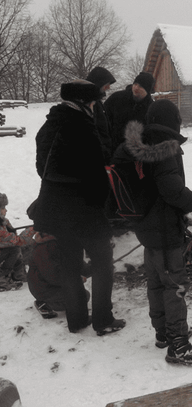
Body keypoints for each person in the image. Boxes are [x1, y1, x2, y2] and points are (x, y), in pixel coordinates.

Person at [112, 99, 192, 366]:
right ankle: (178, 344)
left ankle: (163, 333)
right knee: (175, 285)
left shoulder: (138, 144)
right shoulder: (165, 146)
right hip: (165, 228)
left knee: (156, 281)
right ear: (173, 121)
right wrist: (190, 201)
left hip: (145, 225)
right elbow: (170, 188)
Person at [31, 79, 125, 335]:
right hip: (84, 209)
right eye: (94, 102)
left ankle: (76, 320)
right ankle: (103, 320)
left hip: (55, 207)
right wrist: (100, 202)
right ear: (85, 102)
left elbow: (42, 168)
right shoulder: (83, 126)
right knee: (103, 262)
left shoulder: (49, 125)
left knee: (70, 265)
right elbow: (97, 172)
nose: (96, 106)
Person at [27, 232, 91, 319]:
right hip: (44, 288)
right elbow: (52, 276)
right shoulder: (45, 248)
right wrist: (76, 279)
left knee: (81, 294)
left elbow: (76, 264)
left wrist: (96, 267)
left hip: (51, 284)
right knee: (82, 296)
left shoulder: (59, 242)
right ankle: (45, 305)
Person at [104, 72, 154, 154]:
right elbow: (102, 119)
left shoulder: (151, 108)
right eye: (135, 84)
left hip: (134, 154)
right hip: (111, 149)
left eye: (141, 86)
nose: (136, 87)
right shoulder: (117, 98)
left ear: (147, 90)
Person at [0, 193, 36, 291]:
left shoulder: (4, 221)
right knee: (14, 249)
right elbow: (17, 241)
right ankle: (2, 278)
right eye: (3, 208)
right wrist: (34, 228)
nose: (6, 210)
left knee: (29, 245)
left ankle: (18, 274)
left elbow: (14, 237)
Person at [86, 67, 116, 163]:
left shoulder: (97, 102)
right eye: (106, 84)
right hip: (96, 158)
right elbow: (92, 132)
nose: (108, 87)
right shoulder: (88, 103)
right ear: (98, 83)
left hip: (103, 155)